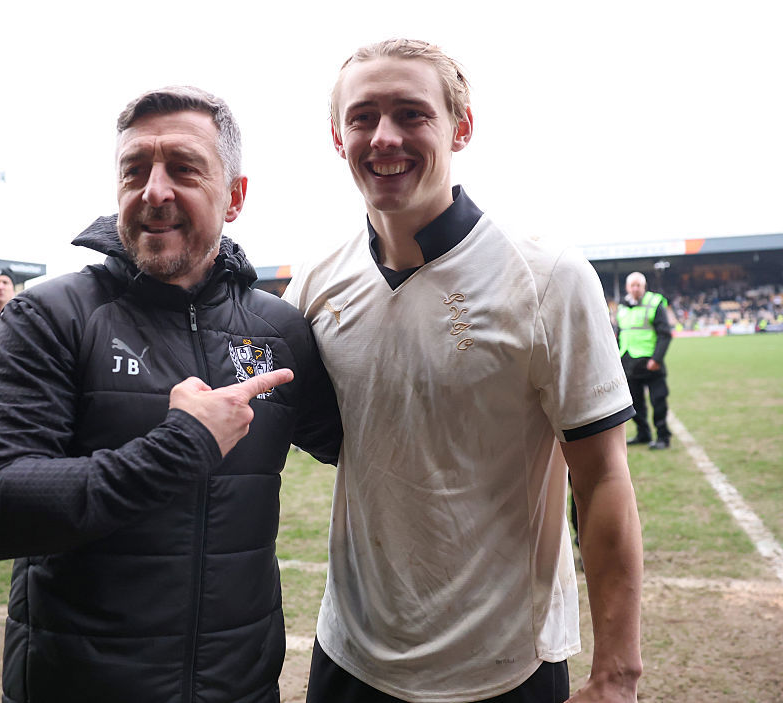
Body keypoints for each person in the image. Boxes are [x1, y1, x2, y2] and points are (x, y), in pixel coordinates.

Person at [283, 39, 643, 703]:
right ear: (338, 137)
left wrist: (616, 674)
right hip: (351, 656)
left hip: (503, 666)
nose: (384, 136)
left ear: (462, 127)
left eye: (411, 114)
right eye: (362, 117)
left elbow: (603, 476)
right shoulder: (314, 282)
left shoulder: (548, 278)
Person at [0, 86, 341, 702]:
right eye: (134, 170)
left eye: (183, 169)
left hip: (240, 687)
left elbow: (372, 446)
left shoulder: (280, 330)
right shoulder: (53, 316)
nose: (154, 190)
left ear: (235, 196)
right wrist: (179, 446)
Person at [616, 272, 672, 450]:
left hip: (650, 362)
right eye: (632, 285)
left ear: (644, 286)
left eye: (638, 285)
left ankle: (663, 436)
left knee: (658, 400)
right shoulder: (621, 307)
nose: (635, 288)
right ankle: (643, 433)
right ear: (627, 287)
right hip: (628, 362)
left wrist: (656, 359)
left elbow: (665, 334)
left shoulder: (654, 303)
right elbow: (619, 334)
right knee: (634, 402)